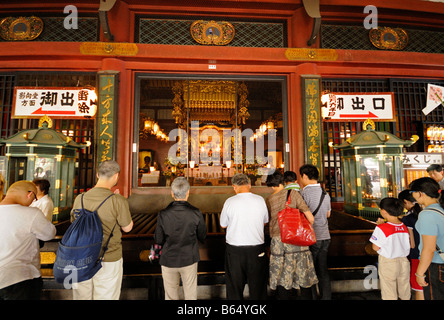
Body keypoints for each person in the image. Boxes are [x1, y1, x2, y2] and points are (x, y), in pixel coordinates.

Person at [71, 160, 133, 300]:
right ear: (116, 176)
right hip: (108, 257)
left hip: (81, 257)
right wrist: (119, 201)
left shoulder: (80, 198)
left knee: (82, 297)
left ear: (97, 174)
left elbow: (73, 222)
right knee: (106, 296)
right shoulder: (117, 200)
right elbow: (127, 228)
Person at [265, 170, 318, 300]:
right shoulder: (294, 194)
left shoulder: (269, 199)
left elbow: (267, 222)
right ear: (283, 182)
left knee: (283, 277)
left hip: (279, 242)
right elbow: (310, 218)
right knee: (303, 275)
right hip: (297, 238)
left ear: (272, 186)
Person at [0, 181, 56, 300]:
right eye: (34, 198)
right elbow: (49, 234)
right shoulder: (31, 214)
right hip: (20, 279)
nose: (33, 202)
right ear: (30, 194)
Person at [154, 177, 207, 300]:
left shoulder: (163, 214)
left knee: (171, 296)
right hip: (189, 258)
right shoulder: (196, 213)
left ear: (172, 193)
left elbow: (158, 239)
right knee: (190, 295)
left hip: (168, 259)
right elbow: (202, 236)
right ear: (188, 192)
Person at [220, 173, 269, 300]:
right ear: (249, 185)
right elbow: (265, 221)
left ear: (234, 187)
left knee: (234, 288)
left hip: (235, 250)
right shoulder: (260, 200)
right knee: (258, 288)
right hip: (257, 250)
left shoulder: (229, 202)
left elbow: (223, 225)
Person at [299, 164, 332, 300]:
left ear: (305, 176)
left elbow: (301, 215)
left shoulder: (304, 194)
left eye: (301, 176)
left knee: (309, 270)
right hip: (325, 236)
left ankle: (312, 297)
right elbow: (328, 214)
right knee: (323, 270)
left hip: (311, 237)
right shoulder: (325, 193)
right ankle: (326, 297)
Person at [409, 177, 444, 300]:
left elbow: (429, 249)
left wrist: (419, 273)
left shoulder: (427, 214)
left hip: (436, 266)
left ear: (420, 193)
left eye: (411, 192)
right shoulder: (441, 210)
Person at [369, 197, 411, 300]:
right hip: (404, 262)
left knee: (389, 291)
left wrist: (380, 226)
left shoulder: (381, 228)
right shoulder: (403, 226)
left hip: (388, 262)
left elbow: (375, 247)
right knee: (404, 288)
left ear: (383, 211)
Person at [398, 189, 423, 300]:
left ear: (405, 202)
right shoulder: (424, 214)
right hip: (429, 255)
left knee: (418, 288)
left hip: (415, 257)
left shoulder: (407, 219)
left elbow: (411, 244)